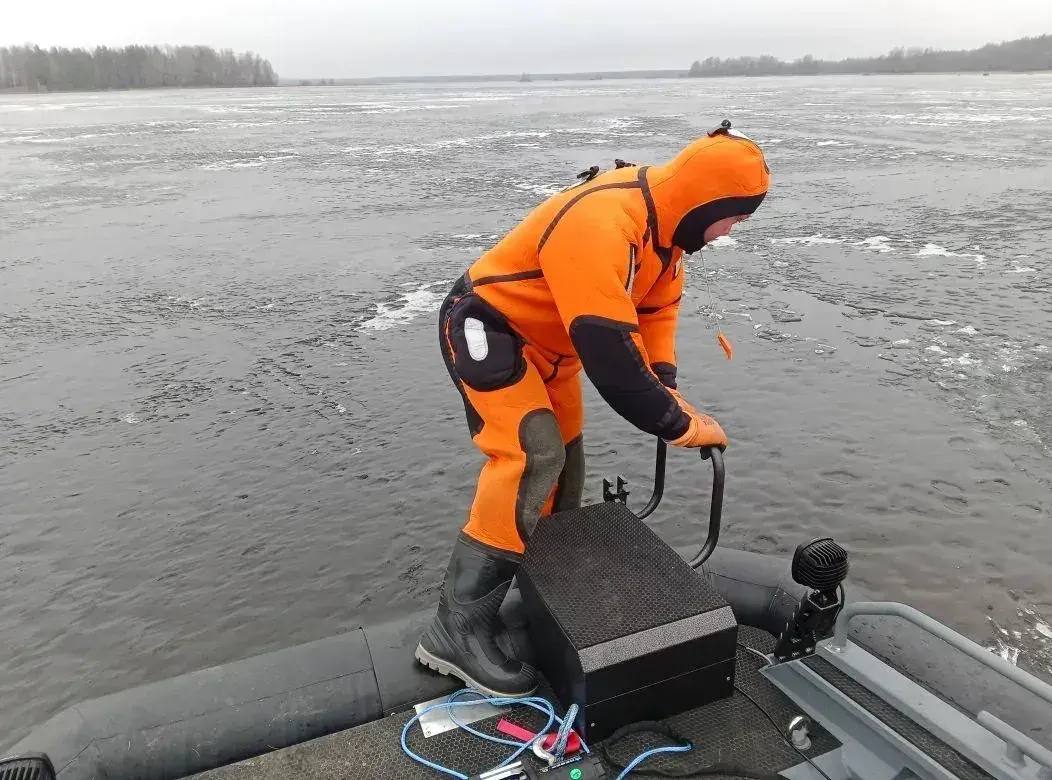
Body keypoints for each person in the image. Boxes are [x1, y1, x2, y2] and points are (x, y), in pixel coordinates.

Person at [416, 121, 770, 696]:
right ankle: (456, 627)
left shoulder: (667, 240)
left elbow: (653, 324)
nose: (732, 231)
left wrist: (669, 391)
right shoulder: (602, 222)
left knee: (568, 464)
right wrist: (676, 423)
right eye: (734, 216)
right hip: (490, 328)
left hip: (556, 348)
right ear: (706, 201)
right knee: (532, 456)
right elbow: (610, 357)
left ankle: (545, 586)